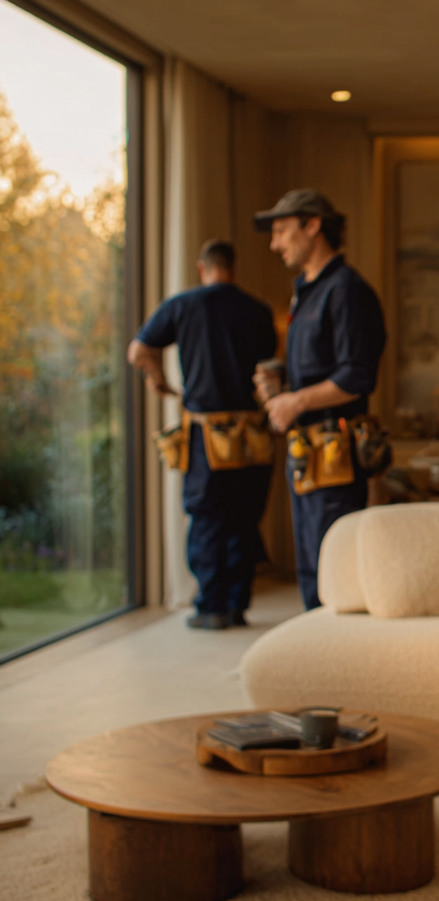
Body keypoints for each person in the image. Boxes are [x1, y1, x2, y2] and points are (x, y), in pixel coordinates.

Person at [128, 239, 277, 630]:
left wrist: (158, 379)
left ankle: (210, 606)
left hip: (207, 433)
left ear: (202, 268)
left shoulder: (184, 305)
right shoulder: (258, 312)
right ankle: (236, 604)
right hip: (251, 434)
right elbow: (270, 371)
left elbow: (138, 351)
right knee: (244, 518)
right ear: (234, 267)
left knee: (208, 516)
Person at [252, 189, 386, 610]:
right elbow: (318, 370)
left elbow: (356, 376)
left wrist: (296, 402)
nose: (275, 244)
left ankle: (340, 664)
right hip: (306, 451)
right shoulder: (305, 294)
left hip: (336, 452)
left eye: (281, 231)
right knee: (310, 566)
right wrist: (280, 385)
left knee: (334, 570)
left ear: (313, 226)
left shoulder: (347, 291)